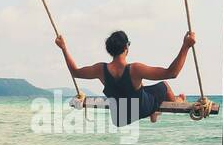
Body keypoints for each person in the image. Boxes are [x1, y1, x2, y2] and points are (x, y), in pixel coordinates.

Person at [55, 29, 195, 124]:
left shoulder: (100, 70)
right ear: (126, 47)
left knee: (141, 90)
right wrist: (185, 46)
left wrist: (63, 48)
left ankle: (154, 112)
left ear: (110, 50)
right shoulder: (135, 69)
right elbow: (172, 73)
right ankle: (177, 101)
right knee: (164, 86)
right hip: (140, 109)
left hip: (120, 118)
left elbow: (75, 72)